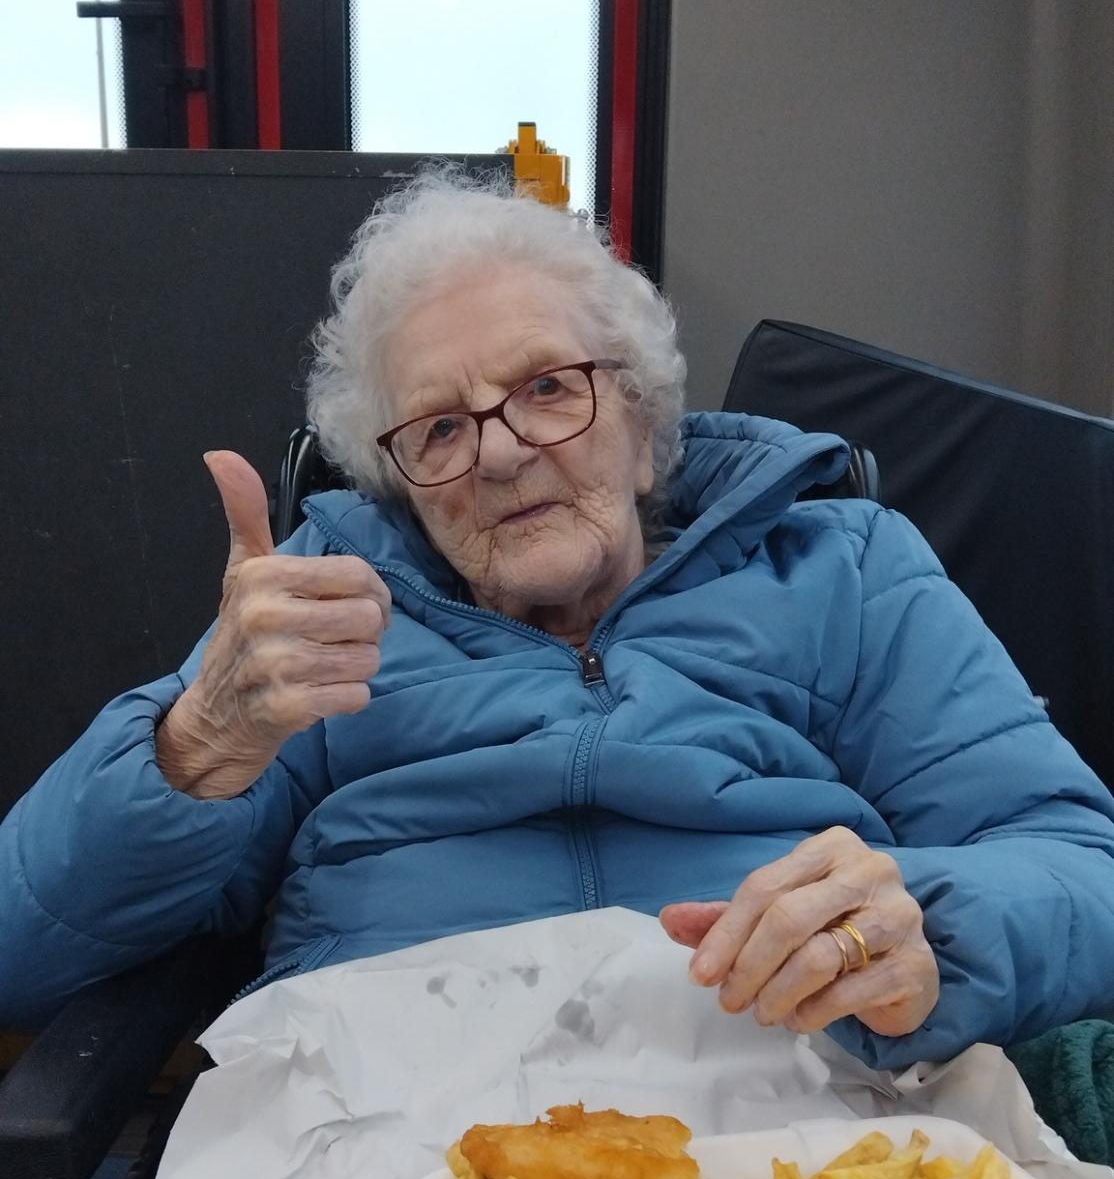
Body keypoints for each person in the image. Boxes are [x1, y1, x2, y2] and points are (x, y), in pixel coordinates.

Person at [3, 171, 1114, 1063]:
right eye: (435, 429)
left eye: (547, 388)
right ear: (400, 482)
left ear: (641, 420)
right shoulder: (319, 607)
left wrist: (927, 923)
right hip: (381, 1117)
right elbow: (20, 949)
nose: (495, 451)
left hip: (795, 1094)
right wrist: (199, 743)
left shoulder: (843, 567)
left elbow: (1077, 865)